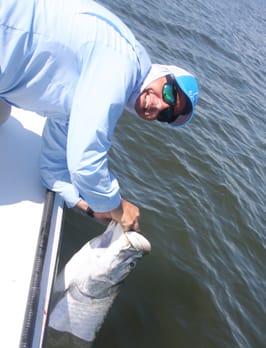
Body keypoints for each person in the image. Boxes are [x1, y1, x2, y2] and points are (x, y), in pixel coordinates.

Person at [0, 0, 199, 231]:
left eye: (166, 115)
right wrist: (119, 208)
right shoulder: (123, 63)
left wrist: (94, 208)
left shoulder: (88, 96)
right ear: (163, 72)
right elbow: (85, 163)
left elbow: (52, 168)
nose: (159, 106)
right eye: (170, 93)